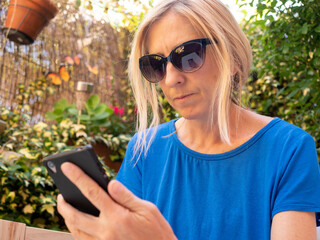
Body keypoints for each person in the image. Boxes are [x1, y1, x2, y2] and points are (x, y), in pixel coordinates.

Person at [57, 0, 320, 239]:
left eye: (188, 55)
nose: (171, 79)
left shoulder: (289, 149)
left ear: (234, 59)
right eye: (156, 64)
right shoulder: (145, 149)